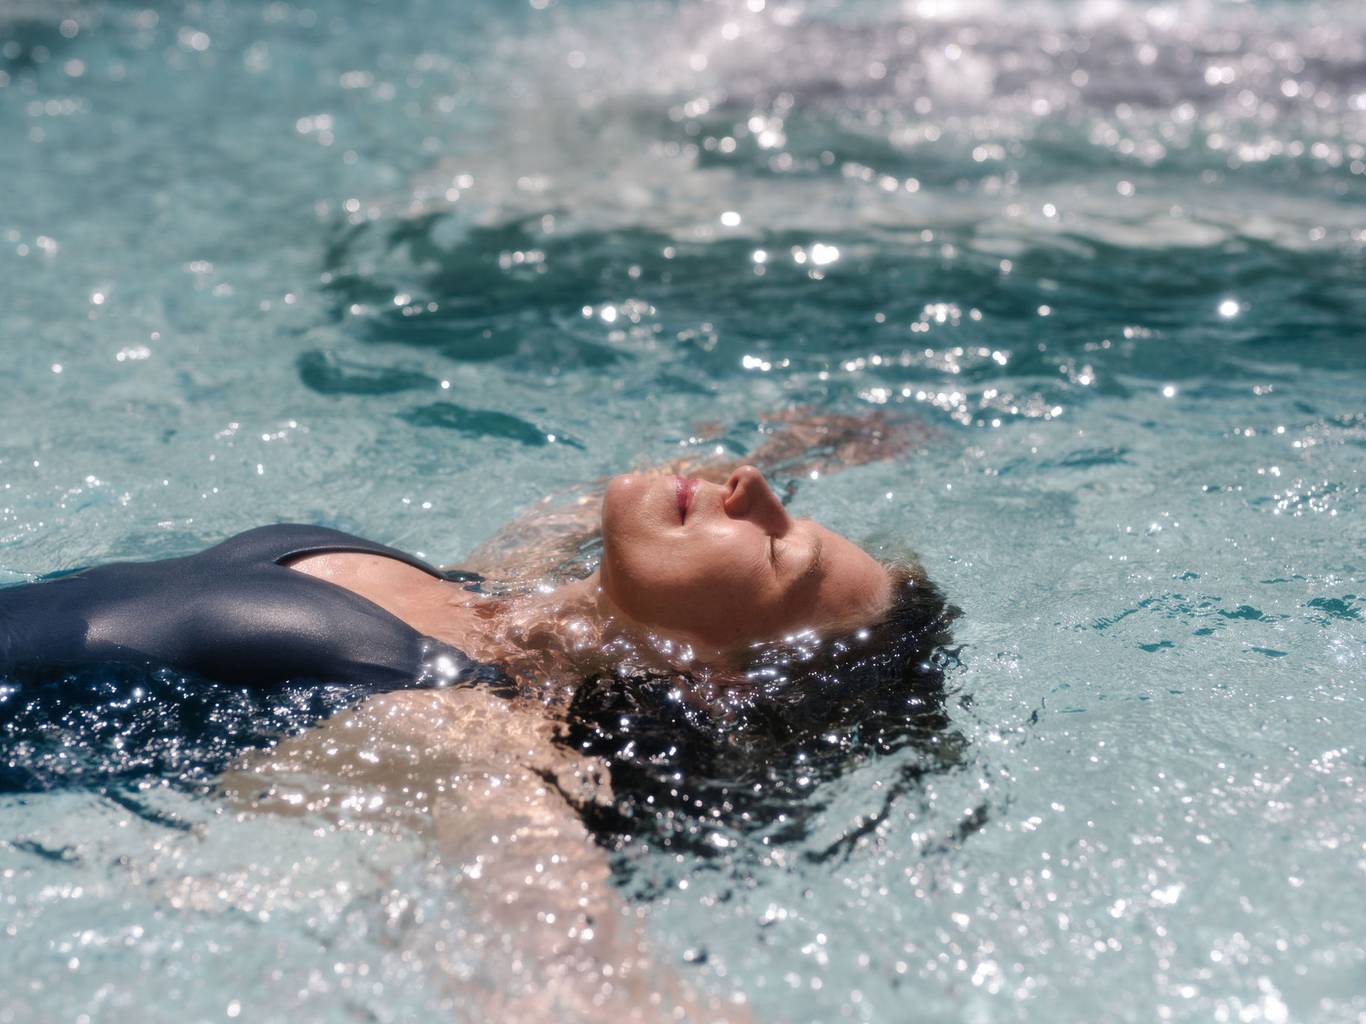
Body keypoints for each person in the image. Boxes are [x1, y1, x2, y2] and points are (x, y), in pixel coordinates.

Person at [0, 411, 957, 1021]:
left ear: (715, 684)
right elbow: (641, 496)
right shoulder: (500, 594)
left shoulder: (469, 729)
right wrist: (814, 442)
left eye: (782, 553)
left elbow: (559, 952)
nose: (756, 497)